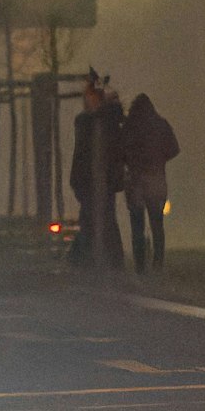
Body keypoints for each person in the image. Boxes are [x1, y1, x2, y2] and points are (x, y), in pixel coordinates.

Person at [68, 71, 126, 270]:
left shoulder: (95, 123)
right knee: (100, 220)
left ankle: (90, 262)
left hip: (95, 181)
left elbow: (85, 155)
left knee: (97, 220)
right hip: (96, 181)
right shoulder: (100, 122)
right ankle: (102, 262)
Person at [121, 93, 181, 274]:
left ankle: (140, 265)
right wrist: (158, 159)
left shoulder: (130, 126)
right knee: (157, 224)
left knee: (137, 225)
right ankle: (157, 262)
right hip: (156, 180)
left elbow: (121, 151)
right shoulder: (160, 125)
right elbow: (174, 149)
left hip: (135, 180)